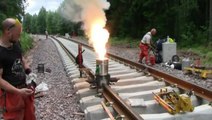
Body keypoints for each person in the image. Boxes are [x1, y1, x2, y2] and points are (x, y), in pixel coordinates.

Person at [0, 18, 36, 120]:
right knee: (14, 117)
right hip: (11, 95)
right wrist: (18, 92)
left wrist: (29, 72)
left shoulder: (16, 43)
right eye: (18, 34)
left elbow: (21, 58)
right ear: (8, 32)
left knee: (30, 116)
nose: (19, 36)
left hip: (24, 88)